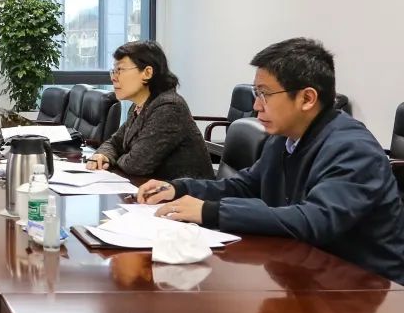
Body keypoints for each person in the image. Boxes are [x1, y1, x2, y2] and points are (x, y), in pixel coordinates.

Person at [138, 38, 404, 284]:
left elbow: (313, 220)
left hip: (367, 290)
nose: (256, 105)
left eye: (264, 94)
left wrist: (210, 211)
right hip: (307, 272)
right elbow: (246, 185)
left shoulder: (353, 149)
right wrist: (179, 188)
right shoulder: (283, 138)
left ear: (307, 98)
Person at [86, 40, 213, 180]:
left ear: (147, 72)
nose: (114, 78)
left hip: (186, 192)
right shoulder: (139, 106)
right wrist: (103, 155)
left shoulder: (169, 107)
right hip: (152, 187)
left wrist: (114, 158)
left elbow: (136, 165)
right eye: (113, 71)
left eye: (120, 70)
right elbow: (115, 142)